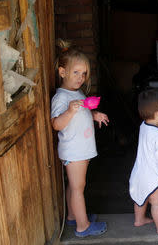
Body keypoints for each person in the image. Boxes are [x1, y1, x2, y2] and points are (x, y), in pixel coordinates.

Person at [51, 47, 109, 237]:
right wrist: (69, 111)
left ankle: (73, 217)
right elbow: (56, 124)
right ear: (62, 72)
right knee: (78, 188)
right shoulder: (61, 97)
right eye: (76, 72)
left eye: (83, 73)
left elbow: (81, 114)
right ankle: (83, 226)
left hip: (81, 150)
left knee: (74, 186)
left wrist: (94, 115)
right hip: (74, 151)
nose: (80, 77)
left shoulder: (78, 93)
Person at [129, 88, 158, 235]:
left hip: (139, 173)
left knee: (140, 198)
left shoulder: (143, 126)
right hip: (153, 177)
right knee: (156, 203)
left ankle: (139, 219)